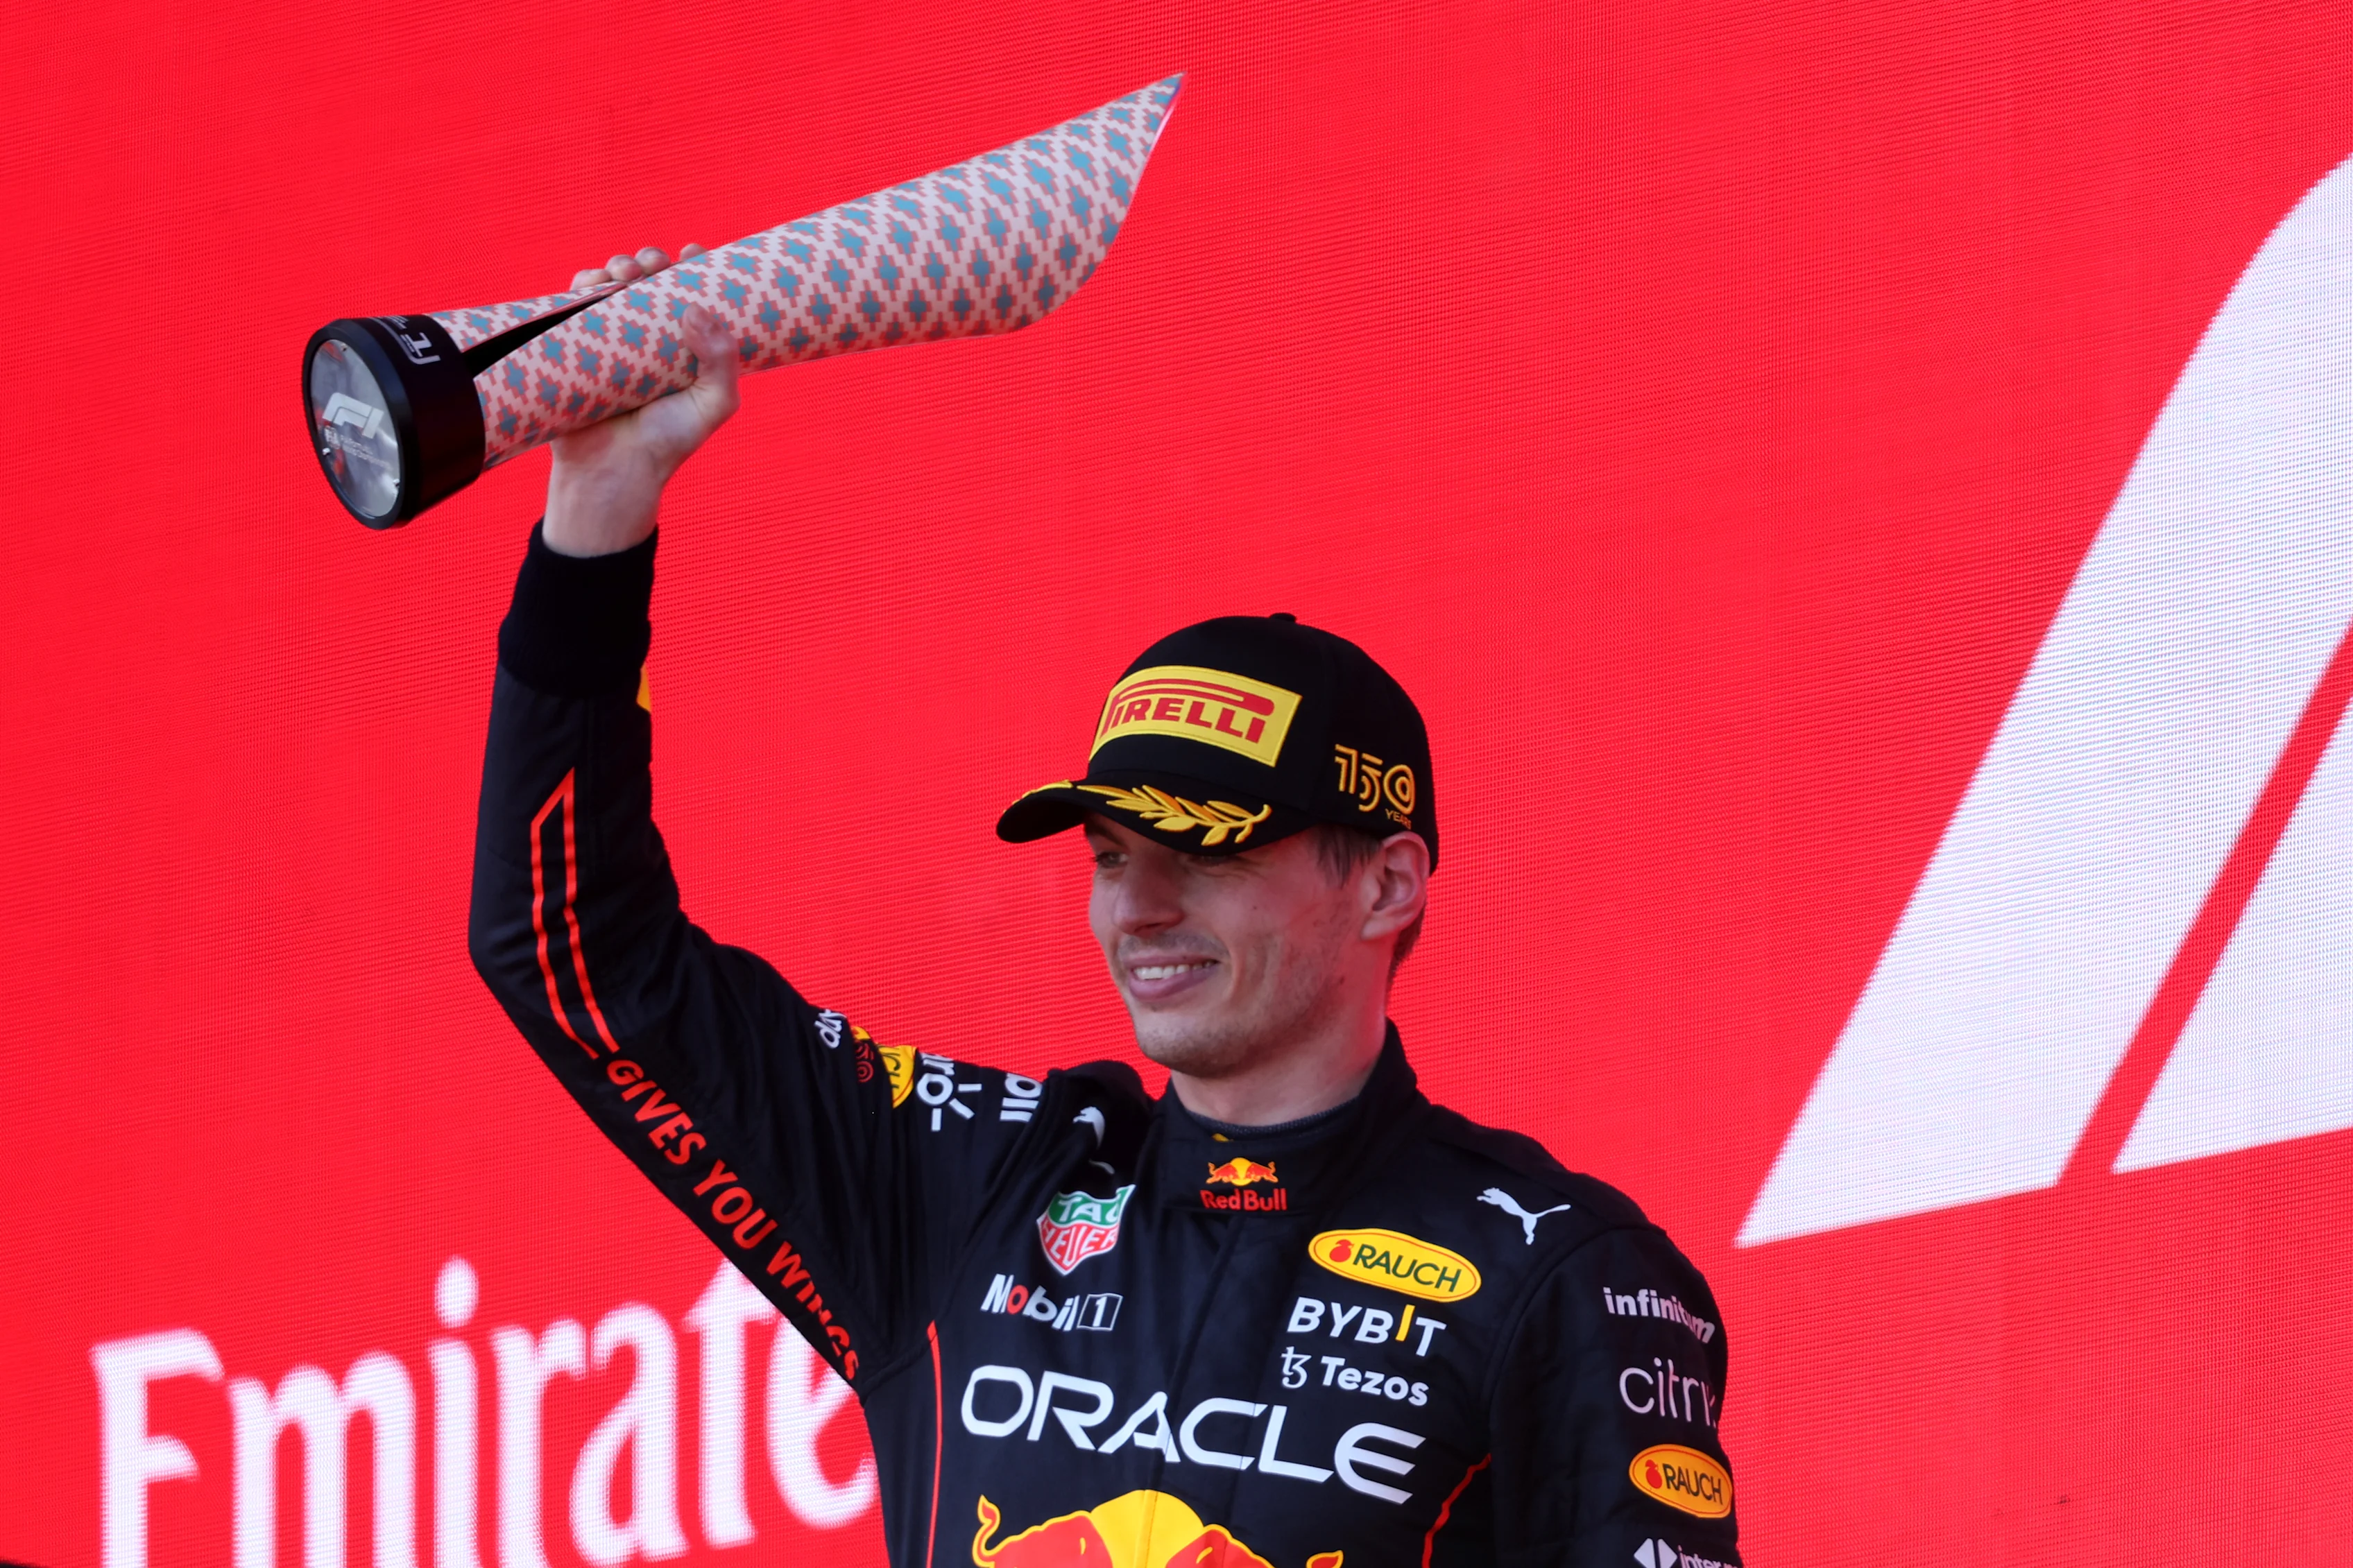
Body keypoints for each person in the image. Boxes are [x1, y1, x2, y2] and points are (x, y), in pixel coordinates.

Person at [469, 246, 1742, 1568]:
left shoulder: (1565, 1274)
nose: (1138, 905)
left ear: (1388, 882)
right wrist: (599, 518)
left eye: (1208, 851)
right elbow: (581, 961)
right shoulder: (975, 1187)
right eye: (1107, 853)